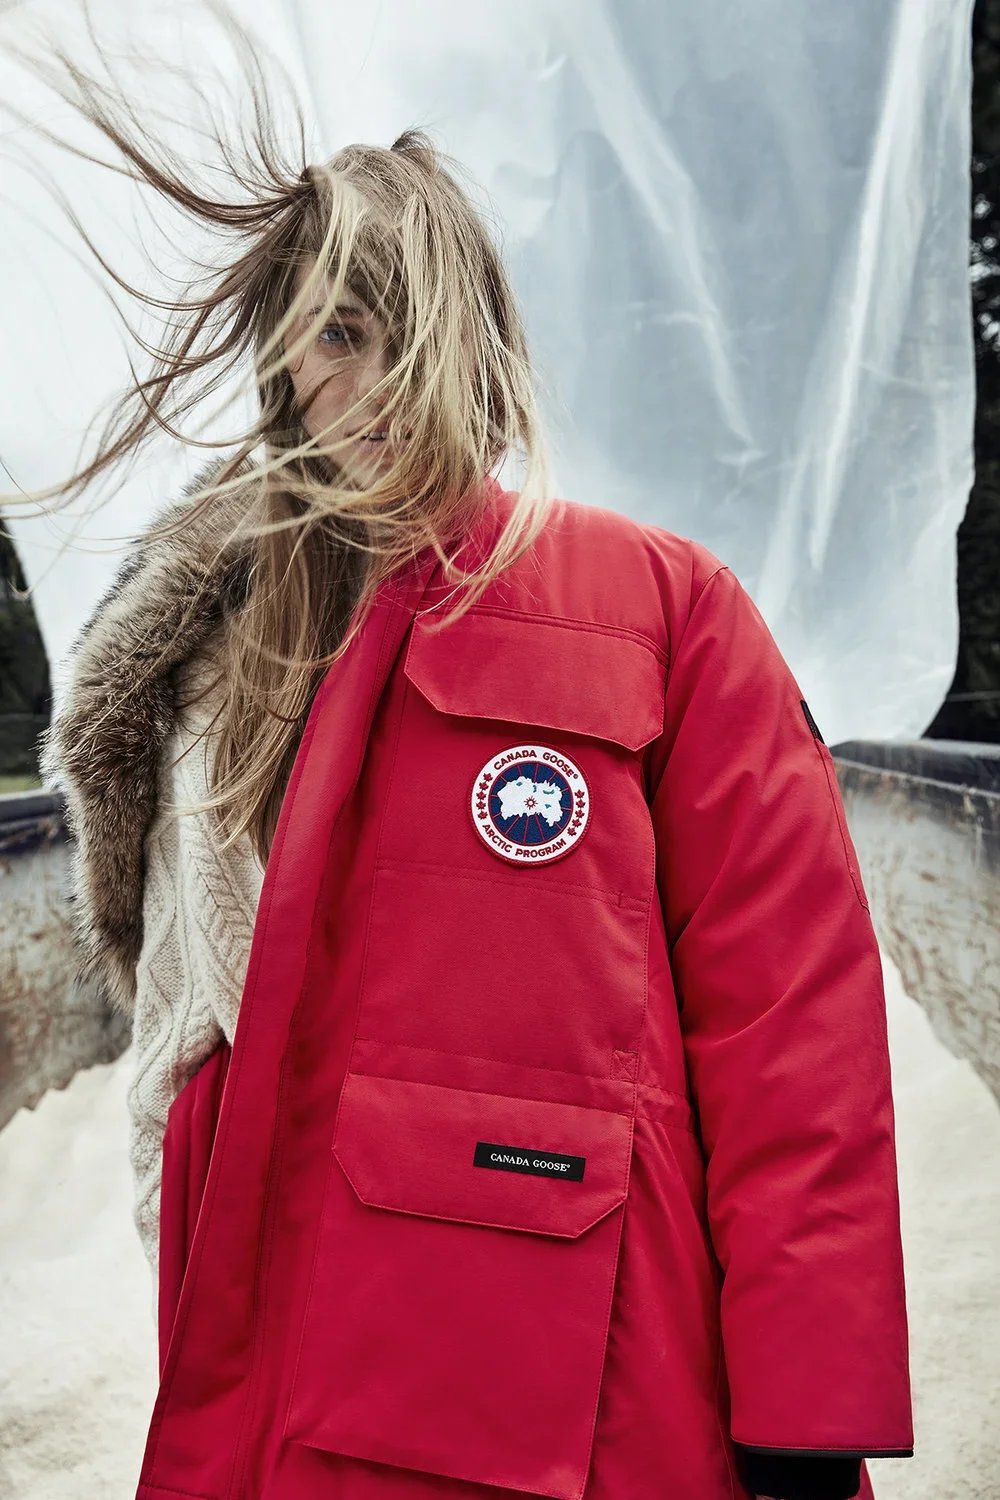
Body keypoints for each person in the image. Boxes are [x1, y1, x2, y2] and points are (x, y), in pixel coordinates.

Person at [11, 25, 911, 1500]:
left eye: (383, 331)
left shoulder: (660, 607)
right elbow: (184, 1020)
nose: (349, 382)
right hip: (316, 1352)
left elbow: (788, 1014)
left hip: (608, 1372)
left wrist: (808, 1395)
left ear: (466, 341)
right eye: (317, 340)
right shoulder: (217, 651)